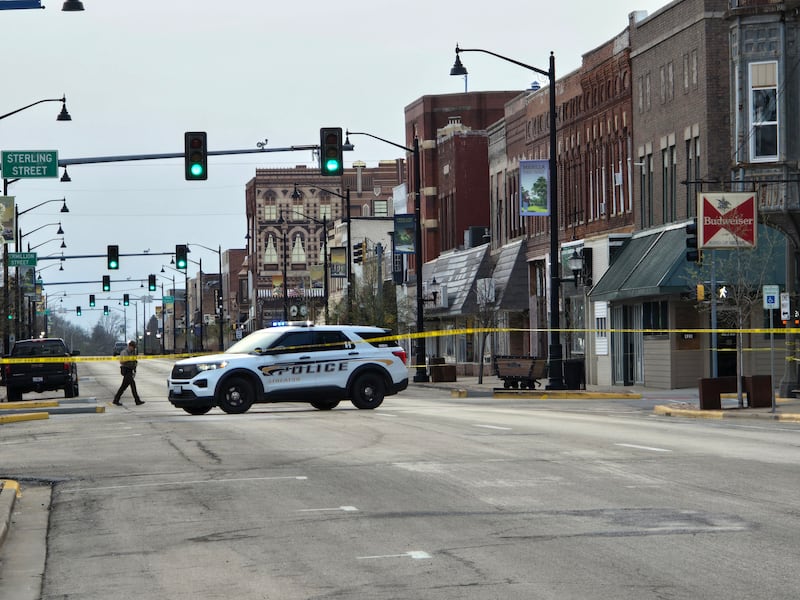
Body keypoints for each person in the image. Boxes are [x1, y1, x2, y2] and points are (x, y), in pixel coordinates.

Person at [113, 340, 144, 406]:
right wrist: (129, 359)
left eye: (134, 348)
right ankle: (137, 400)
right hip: (125, 369)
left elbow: (135, 360)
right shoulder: (124, 352)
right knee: (132, 384)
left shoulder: (133, 352)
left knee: (123, 387)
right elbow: (122, 361)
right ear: (129, 346)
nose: (133, 349)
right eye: (133, 347)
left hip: (130, 370)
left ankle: (116, 399)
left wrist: (134, 367)